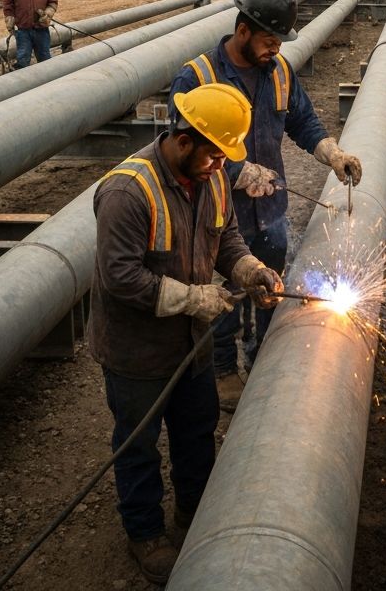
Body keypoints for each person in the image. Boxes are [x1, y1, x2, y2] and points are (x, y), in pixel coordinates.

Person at [91, 83, 284, 585]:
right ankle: (146, 533)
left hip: (191, 344)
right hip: (137, 350)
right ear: (182, 138)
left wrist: (248, 270)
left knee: (196, 431)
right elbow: (120, 277)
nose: (221, 165)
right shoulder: (127, 192)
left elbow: (227, 238)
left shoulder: (213, 176)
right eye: (214, 154)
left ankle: (195, 515)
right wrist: (193, 298)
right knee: (138, 444)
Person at [167, 0, 362, 410]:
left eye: (279, 42)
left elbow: (303, 122)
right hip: (215, 215)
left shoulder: (279, 72)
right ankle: (222, 371)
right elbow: (179, 148)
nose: (275, 49)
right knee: (222, 296)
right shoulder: (197, 78)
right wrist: (237, 173)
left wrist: (332, 153)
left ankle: (264, 359)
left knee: (270, 287)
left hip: (269, 211)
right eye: (269, 40)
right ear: (243, 31)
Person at [2, 0, 58, 69]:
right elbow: (8, 7)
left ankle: (47, 82)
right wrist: (10, 21)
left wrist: (48, 14)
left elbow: (53, 2)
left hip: (41, 30)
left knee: (45, 59)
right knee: (23, 60)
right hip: (23, 31)